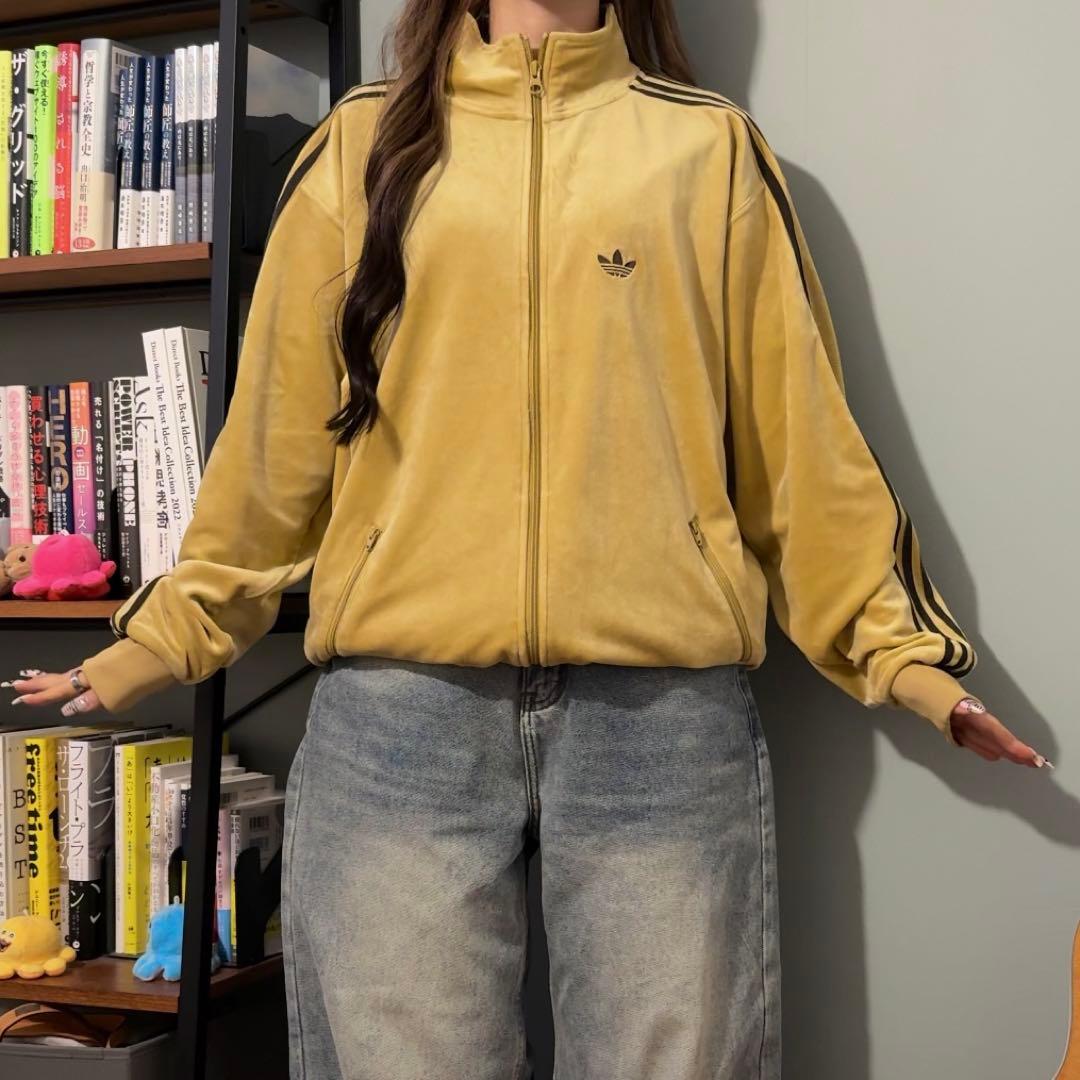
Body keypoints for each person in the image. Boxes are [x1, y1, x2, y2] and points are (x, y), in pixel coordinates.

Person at [9, 1, 1050, 1076]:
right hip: (400, 722)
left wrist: (906, 658)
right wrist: (158, 639)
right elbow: (273, 447)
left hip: (661, 722)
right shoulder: (361, 147)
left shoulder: (705, 147)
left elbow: (801, 447)